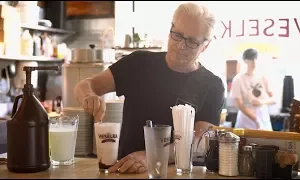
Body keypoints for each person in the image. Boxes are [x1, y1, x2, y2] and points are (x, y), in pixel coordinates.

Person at [74, 2, 225, 174]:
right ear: (170, 29)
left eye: (191, 42)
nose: (181, 45)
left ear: (205, 45)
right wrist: (88, 96)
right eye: (177, 35)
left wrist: (151, 155)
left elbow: (199, 143)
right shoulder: (139, 63)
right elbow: (86, 85)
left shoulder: (212, 85)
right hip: (125, 170)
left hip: (176, 174)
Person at [230, 48, 275, 130]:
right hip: (245, 121)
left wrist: (261, 101)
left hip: (264, 119)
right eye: (250, 59)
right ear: (245, 61)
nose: (254, 62)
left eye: (255, 58)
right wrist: (256, 120)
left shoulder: (263, 77)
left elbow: (273, 99)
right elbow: (239, 105)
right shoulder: (238, 79)